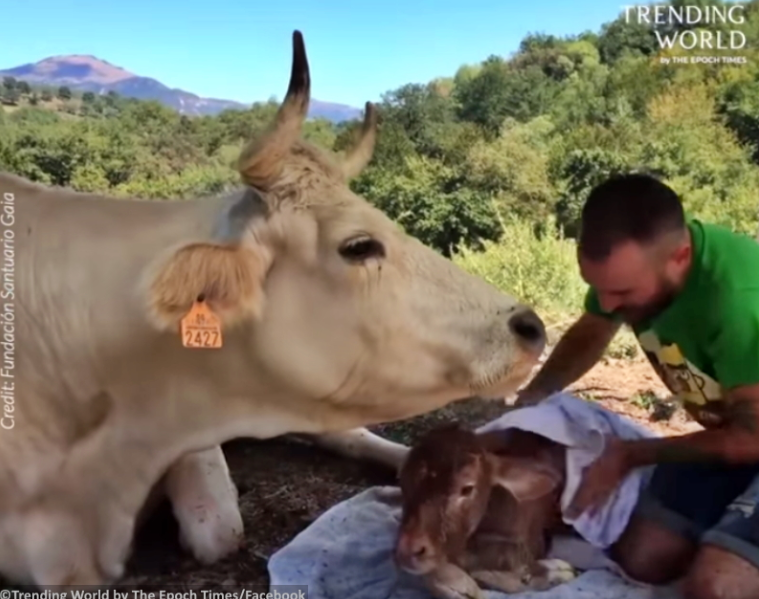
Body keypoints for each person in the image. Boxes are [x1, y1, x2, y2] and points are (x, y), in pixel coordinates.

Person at [514, 172, 759, 599]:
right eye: (598, 289)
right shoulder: (634, 277)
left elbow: (751, 439)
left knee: (717, 586)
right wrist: (534, 397)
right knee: (644, 557)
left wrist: (632, 454)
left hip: (750, 437)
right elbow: (592, 330)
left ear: (680, 257)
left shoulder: (737, 302)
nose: (608, 305)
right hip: (735, 435)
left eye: (622, 292)